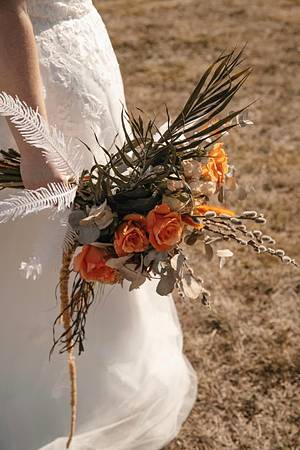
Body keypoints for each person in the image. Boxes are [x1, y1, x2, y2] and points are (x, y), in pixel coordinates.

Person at [0, 1, 197, 449]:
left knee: (95, 238)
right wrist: (34, 143)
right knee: (35, 254)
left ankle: (97, 392)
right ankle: (35, 409)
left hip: (80, 60)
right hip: (31, 85)